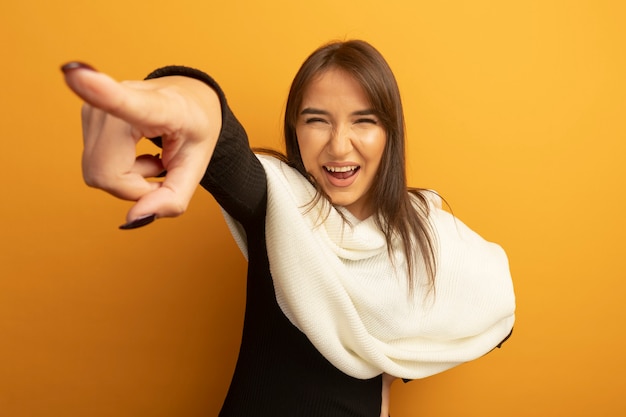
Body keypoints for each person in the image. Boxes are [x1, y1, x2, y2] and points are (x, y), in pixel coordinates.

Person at [61, 40, 515, 417]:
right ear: (294, 129)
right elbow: (223, 146)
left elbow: (495, 311)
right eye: (316, 120)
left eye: (364, 121)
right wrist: (178, 98)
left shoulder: (422, 231)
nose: (339, 145)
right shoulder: (278, 203)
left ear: (390, 133)